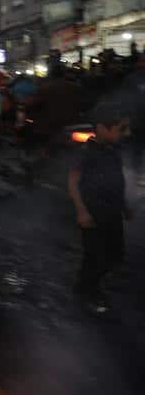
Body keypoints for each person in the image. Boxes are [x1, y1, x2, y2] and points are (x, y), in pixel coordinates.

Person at [67, 104, 132, 313]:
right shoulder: (87, 151)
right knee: (95, 256)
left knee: (115, 254)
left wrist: (124, 205)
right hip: (93, 213)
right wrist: (81, 211)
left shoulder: (113, 150)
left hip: (112, 212)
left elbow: (117, 179)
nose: (126, 133)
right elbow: (73, 181)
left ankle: (86, 286)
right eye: (121, 129)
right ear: (103, 128)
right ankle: (88, 291)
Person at [122, 53, 145, 185]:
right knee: (136, 148)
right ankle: (138, 175)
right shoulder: (132, 79)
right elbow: (125, 99)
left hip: (137, 120)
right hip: (137, 121)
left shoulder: (132, 79)